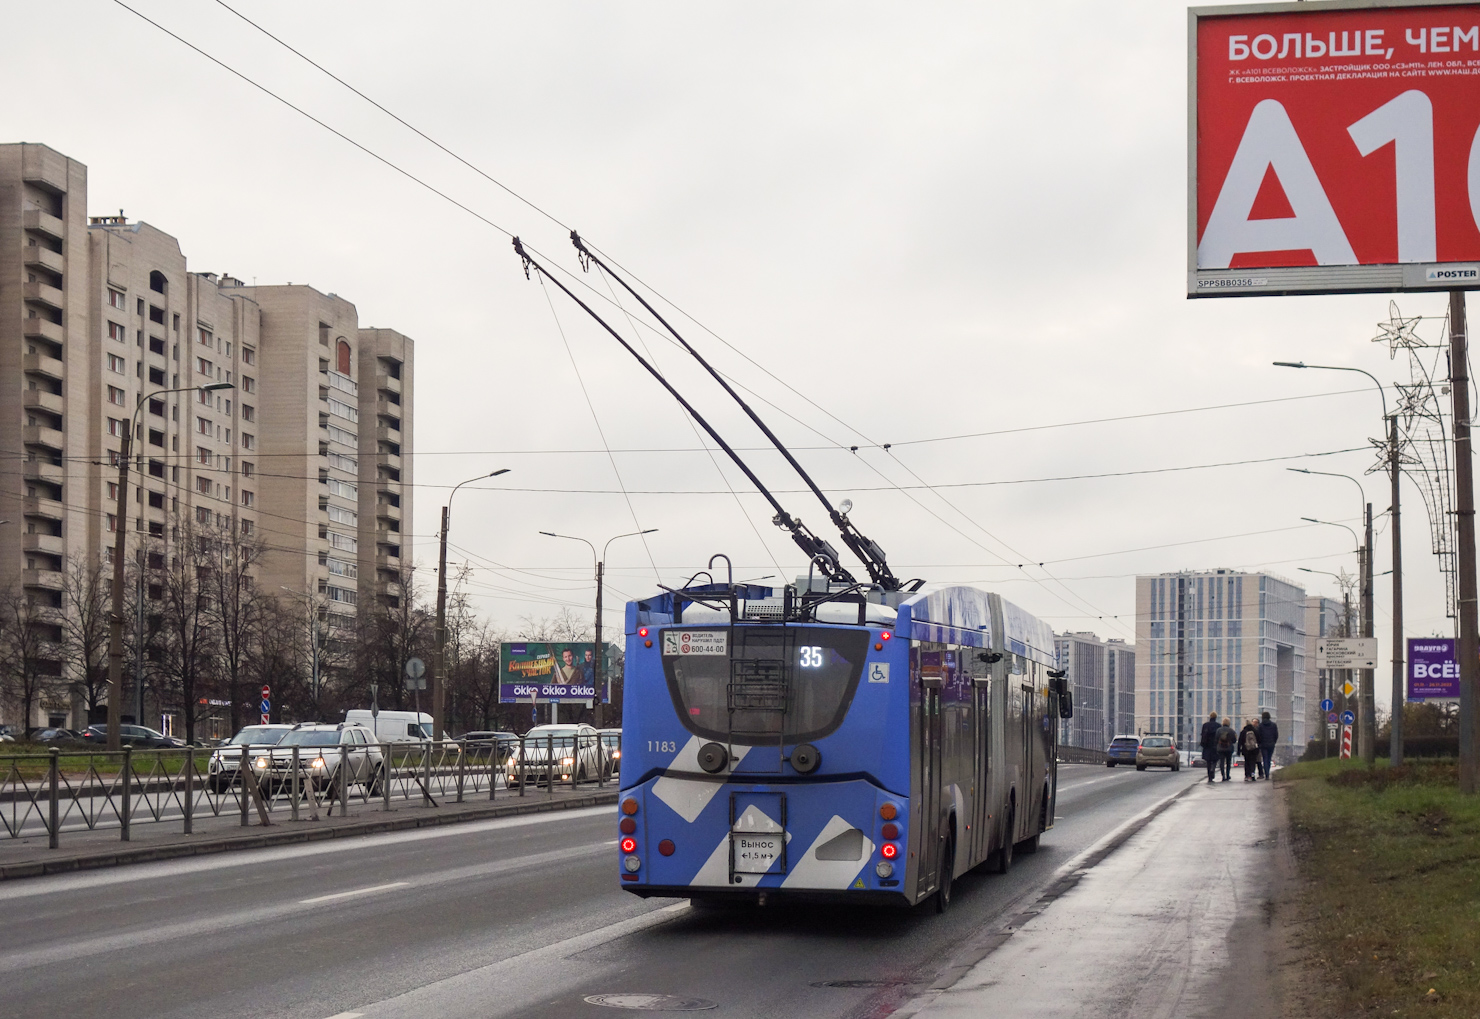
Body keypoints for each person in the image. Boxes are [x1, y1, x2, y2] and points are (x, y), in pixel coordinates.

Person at [1199, 711, 1220, 783]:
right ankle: (1212, 770)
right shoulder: (1218, 725)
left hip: (1207, 745)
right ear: (1216, 717)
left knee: (1208, 761)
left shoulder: (1205, 725)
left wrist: (1202, 744)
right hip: (1215, 745)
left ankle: (1209, 775)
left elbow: (1202, 735)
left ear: (1210, 717)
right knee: (1215, 759)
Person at [1257, 711, 1279, 780]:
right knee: (1269, 759)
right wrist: (1274, 742)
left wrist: (1259, 743)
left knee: (1265, 758)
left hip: (1263, 745)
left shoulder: (1260, 726)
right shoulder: (1273, 725)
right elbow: (1276, 735)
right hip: (1271, 744)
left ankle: (1266, 773)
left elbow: (1258, 736)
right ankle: (1267, 773)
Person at [1215, 716, 1237, 781]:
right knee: (1228, 762)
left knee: (1221, 762)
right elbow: (1234, 740)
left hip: (1220, 748)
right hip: (1229, 748)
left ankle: (1223, 776)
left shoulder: (1219, 730)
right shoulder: (1231, 730)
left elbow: (1216, 739)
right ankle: (1227, 775)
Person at [1238, 718, 1260, 782]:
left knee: (1247, 763)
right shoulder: (1255, 731)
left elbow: (1240, 742)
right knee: (1253, 763)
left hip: (1246, 749)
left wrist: (1239, 751)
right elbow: (1259, 740)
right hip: (1254, 749)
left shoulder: (1243, 732)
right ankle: (1253, 775)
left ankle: (1247, 776)